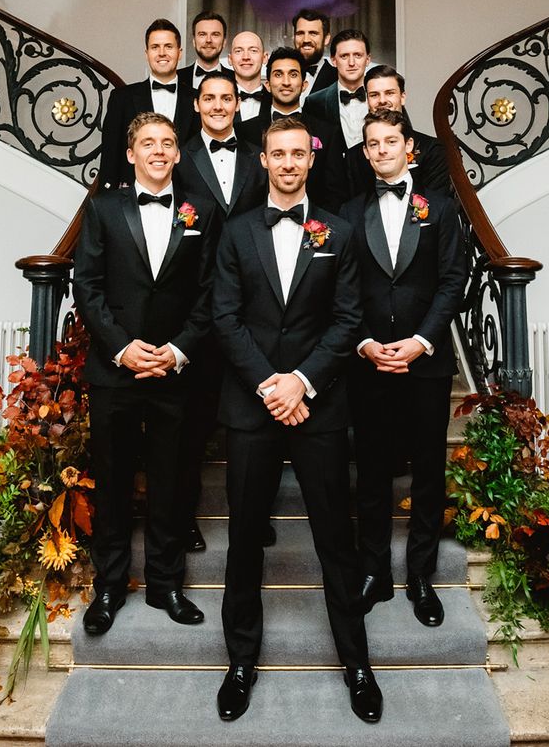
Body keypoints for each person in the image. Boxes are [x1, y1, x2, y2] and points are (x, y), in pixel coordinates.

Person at [212, 116, 382, 724]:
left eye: (296, 155)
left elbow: (346, 319)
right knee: (243, 542)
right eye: (276, 154)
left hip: (319, 405)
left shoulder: (337, 231)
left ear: (310, 161)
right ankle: (240, 662)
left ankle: (357, 663)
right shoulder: (233, 234)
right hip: (252, 407)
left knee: (337, 540)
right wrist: (270, 385)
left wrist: (301, 381)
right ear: (263, 160)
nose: (286, 163)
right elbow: (225, 318)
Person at [74, 112, 216, 636]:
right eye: (147, 143)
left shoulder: (201, 211)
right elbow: (86, 287)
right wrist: (121, 348)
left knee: (172, 483)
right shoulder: (103, 208)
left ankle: (165, 584)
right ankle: (109, 587)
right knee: (112, 483)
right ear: (131, 154)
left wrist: (177, 351)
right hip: (116, 373)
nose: (158, 151)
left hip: (174, 374)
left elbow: (209, 295)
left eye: (168, 143)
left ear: (178, 155)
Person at [339, 109, 465, 630]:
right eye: (374, 143)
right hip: (369, 364)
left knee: (429, 471)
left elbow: (453, 280)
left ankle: (420, 575)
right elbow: (343, 290)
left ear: (409, 146)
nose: (383, 149)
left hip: (425, 363)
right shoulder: (346, 213)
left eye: (392, 141)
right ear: (365, 152)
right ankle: (373, 570)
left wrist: (419, 342)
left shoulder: (440, 206)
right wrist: (366, 343)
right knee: (369, 472)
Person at [173, 70, 267, 551]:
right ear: (197, 104)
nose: (217, 105)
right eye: (209, 98)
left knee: (254, 421)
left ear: (238, 104)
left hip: (255, 311)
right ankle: (185, 517)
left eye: (226, 98)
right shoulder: (177, 156)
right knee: (193, 425)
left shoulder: (259, 157)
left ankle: (256, 516)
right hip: (198, 307)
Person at [239, 47, 348, 212]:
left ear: (304, 85)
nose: (286, 82)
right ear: (267, 85)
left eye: (293, 74)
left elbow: (335, 193)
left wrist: (317, 231)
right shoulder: (245, 131)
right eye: (278, 74)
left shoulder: (327, 132)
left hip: (312, 228)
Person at [99, 19, 199, 190]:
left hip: (187, 197)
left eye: (168, 46)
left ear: (179, 52)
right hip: (131, 197)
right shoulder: (121, 98)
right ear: (146, 53)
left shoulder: (197, 99)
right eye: (155, 47)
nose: (162, 53)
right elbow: (110, 155)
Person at [345, 65, 451, 198]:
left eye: (389, 93)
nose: (382, 100)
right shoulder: (353, 156)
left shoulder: (432, 149)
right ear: (367, 101)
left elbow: (438, 207)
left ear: (402, 97)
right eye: (374, 95)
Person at [303, 29, 370, 150]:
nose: (351, 62)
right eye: (344, 56)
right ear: (334, 61)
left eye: (357, 55)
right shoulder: (314, 102)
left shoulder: (383, 97)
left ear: (368, 59)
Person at [292, 9, 337, 99]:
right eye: (300, 33)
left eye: (313, 33)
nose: (306, 40)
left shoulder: (338, 78)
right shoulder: (280, 75)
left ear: (326, 39)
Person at [178, 11, 227, 90]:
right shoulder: (177, 77)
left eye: (215, 34)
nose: (208, 40)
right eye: (202, 34)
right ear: (194, 41)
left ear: (224, 42)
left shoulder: (236, 79)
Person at [228, 30, 269, 122]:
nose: (246, 57)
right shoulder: (218, 103)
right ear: (230, 59)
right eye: (238, 51)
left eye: (253, 51)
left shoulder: (276, 101)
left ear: (264, 57)